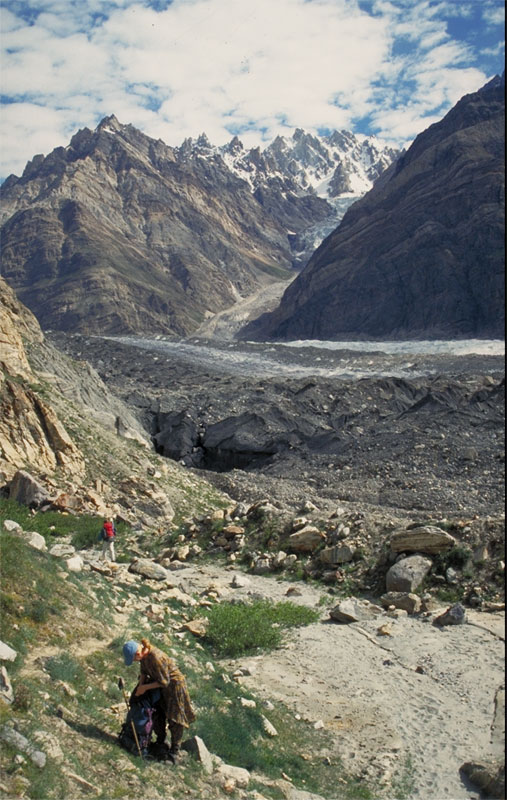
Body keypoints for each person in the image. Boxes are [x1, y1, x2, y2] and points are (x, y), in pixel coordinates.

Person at [122, 638, 196, 762]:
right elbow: (144, 672)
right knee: (158, 712)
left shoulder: (156, 657)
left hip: (174, 687)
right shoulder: (144, 657)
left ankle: (174, 750)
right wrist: (141, 687)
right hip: (161, 687)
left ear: (138, 654)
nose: (135, 661)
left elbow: (164, 681)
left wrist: (145, 687)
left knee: (175, 719)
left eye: (134, 659)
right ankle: (160, 742)